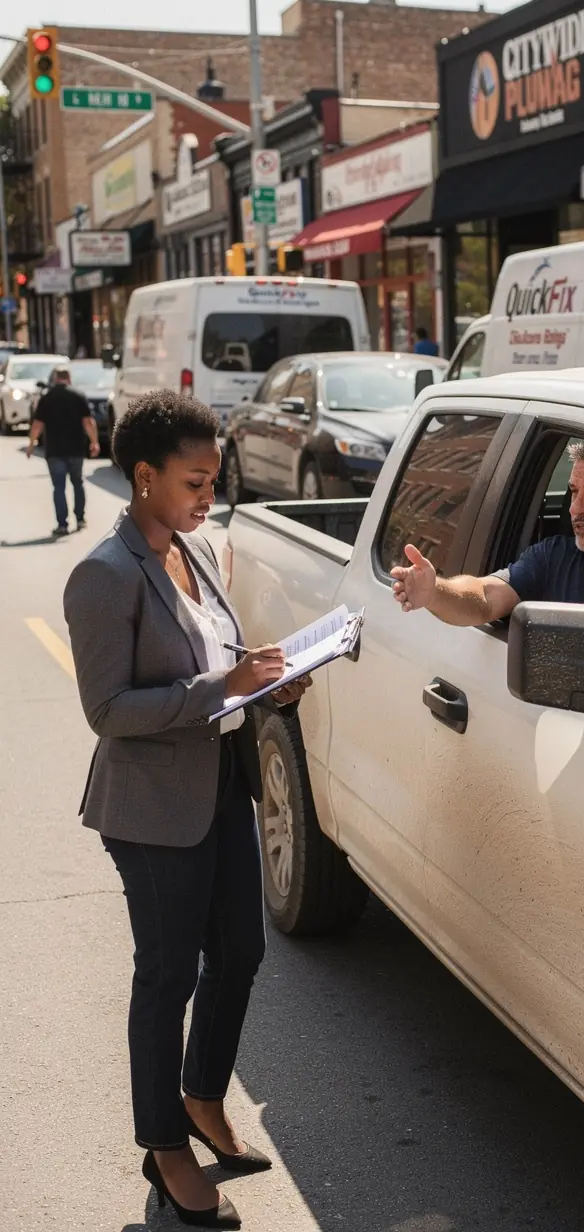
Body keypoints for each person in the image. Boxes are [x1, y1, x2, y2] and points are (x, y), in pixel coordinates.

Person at [63, 390, 312, 1229]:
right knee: (166, 977)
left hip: (220, 788)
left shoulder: (195, 550)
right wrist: (222, 686)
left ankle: (202, 1097)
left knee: (239, 954)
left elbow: (221, 660)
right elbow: (108, 710)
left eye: (216, 479)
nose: (211, 495)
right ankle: (165, 1145)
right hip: (151, 810)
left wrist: (268, 681)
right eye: (195, 481)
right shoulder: (105, 574)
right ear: (145, 477)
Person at [391, 439, 584, 654]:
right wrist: (435, 591)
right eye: (574, 491)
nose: (576, 508)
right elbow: (485, 597)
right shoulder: (554, 557)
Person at [27, 366, 99, 536]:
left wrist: (31, 444)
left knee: (58, 487)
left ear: (55, 378)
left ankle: (62, 524)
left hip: (54, 450)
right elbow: (88, 422)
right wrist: (94, 442)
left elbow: (37, 425)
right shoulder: (78, 395)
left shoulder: (47, 397)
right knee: (78, 483)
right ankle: (80, 518)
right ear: (69, 378)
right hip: (76, 449)